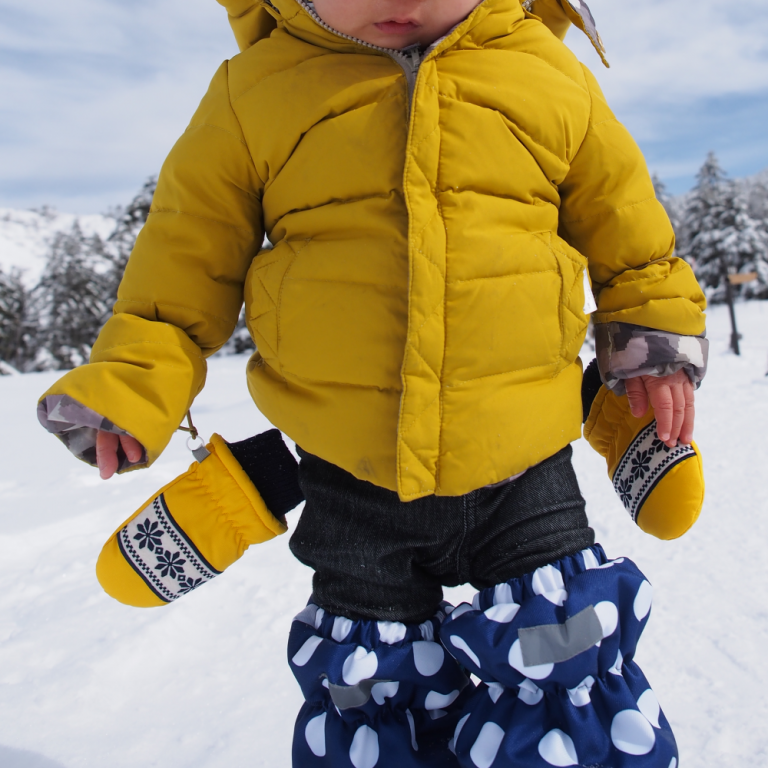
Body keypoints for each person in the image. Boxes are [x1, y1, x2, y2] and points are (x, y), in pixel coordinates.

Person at [38, 0, 708, 765]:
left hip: (524, 463)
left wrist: (651, 350)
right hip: (349, 477)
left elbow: (630, 233)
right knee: (369, 686)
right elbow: (185, 261)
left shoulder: (546, 75)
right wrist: (133, 381)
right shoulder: (257, 90)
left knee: (562, 653)